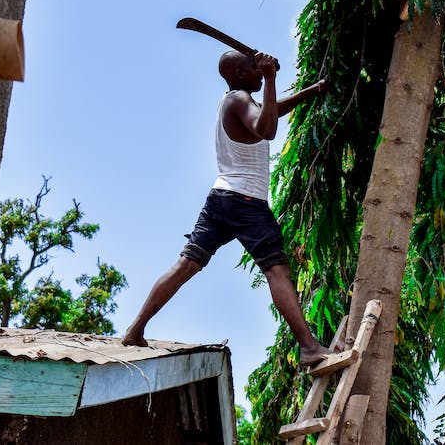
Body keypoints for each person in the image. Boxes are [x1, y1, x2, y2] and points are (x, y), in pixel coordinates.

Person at [122, 49, 333, 366]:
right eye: (254, 69)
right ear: (238, 74)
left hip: (221, 199)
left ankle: (135, 330)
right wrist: (273, 78)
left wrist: (312, 91)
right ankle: (308, 347)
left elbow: (269, 114)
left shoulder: (236, 102)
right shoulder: (238, 100)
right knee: (277, 270)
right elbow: (268, 129)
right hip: (246, 202)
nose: (260, 74)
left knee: (187, 264)